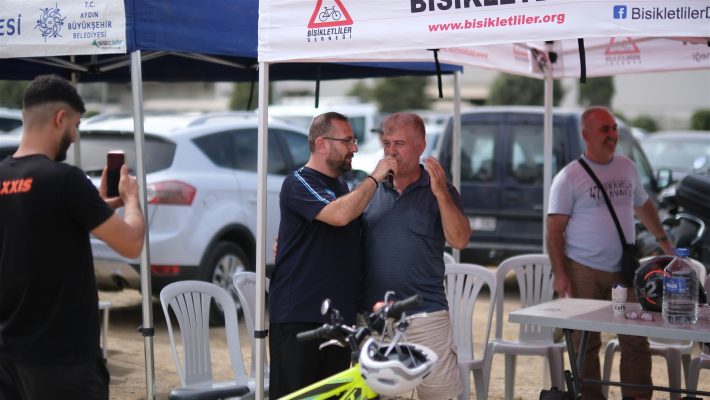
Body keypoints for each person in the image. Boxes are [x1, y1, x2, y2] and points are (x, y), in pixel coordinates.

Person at [0, 75, 145, 399]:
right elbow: (131, 242)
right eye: (76, 125)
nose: (76, 136)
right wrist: (131, 200)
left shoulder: (3, 176)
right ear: (60, 118)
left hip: (9, 357)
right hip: (64, 362)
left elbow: (41, 221)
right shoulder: (65, 179)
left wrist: (99, 205)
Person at [547, 106, 673, 400]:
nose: (612, 135)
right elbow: (554, 231)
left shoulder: (627, 168)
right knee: (584, 343)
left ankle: (636, 397)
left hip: (623, 270)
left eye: (614, 128)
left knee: (635, 339)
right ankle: (590, 397)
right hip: (582, 269)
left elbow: (644, 205)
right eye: (605, 129)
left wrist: (664, 241)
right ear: (586, 135)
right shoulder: (568, 177)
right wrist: (561, 275)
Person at [268, 111, 397, 398]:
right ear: (322, 144)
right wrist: (375, 177)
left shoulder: (340, 186)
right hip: (300, 318)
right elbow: (339, 215)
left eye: (354, 140)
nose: (355, 148)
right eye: (347, 141)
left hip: (338, 321)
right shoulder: (298, 181)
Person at [359, 112, 472, 400]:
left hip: (426, 315)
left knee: (439, 396)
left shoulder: (441, 189)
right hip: (375, 317)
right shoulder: (369, 187)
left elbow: (460, 239)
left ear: (420, 146)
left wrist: (440, 193)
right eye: (387, 143)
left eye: (399, 144)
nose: (391, 151)